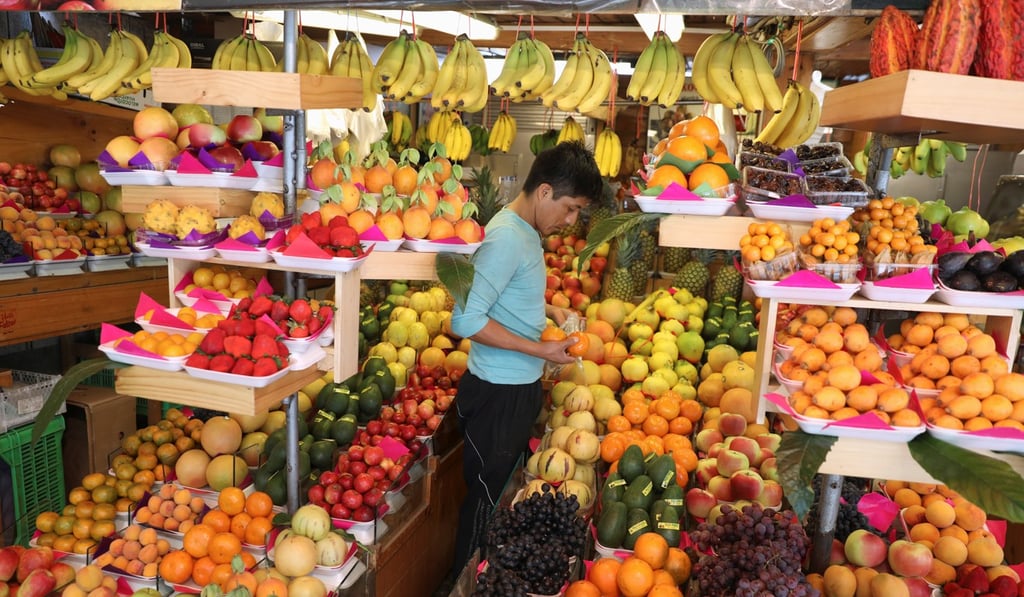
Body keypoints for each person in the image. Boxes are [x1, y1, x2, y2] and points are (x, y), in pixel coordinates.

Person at [448, 141, 604, 577]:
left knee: (498, 503)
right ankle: (464, 582)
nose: (570, 221)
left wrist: (549, 311)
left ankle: (487, 579)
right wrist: (540, 349)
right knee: (484, 504)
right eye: (570, 208)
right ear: (544, 192)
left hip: (514, 391)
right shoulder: (506, 238)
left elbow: (503, 302)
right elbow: (465, 319)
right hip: (496, 396)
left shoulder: (525, 233)